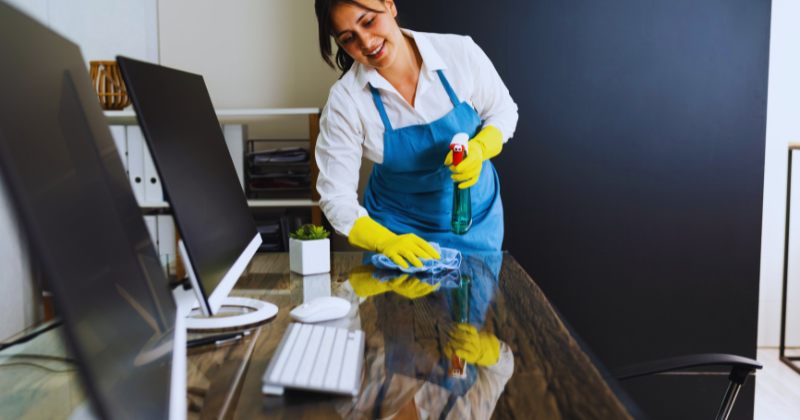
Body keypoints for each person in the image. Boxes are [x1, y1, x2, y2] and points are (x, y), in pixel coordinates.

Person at [314, 0, 518, 268]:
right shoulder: (346, 101)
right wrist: (385, 241)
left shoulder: (458, 54)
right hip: (397, 228)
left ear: (389, 5)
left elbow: (503, 112)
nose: (366, 42)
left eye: (368, 21)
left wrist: (480, 148)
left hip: (473, 220)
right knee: (400, 308)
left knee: (473, 306)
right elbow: (335, 197)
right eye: (349, 38)